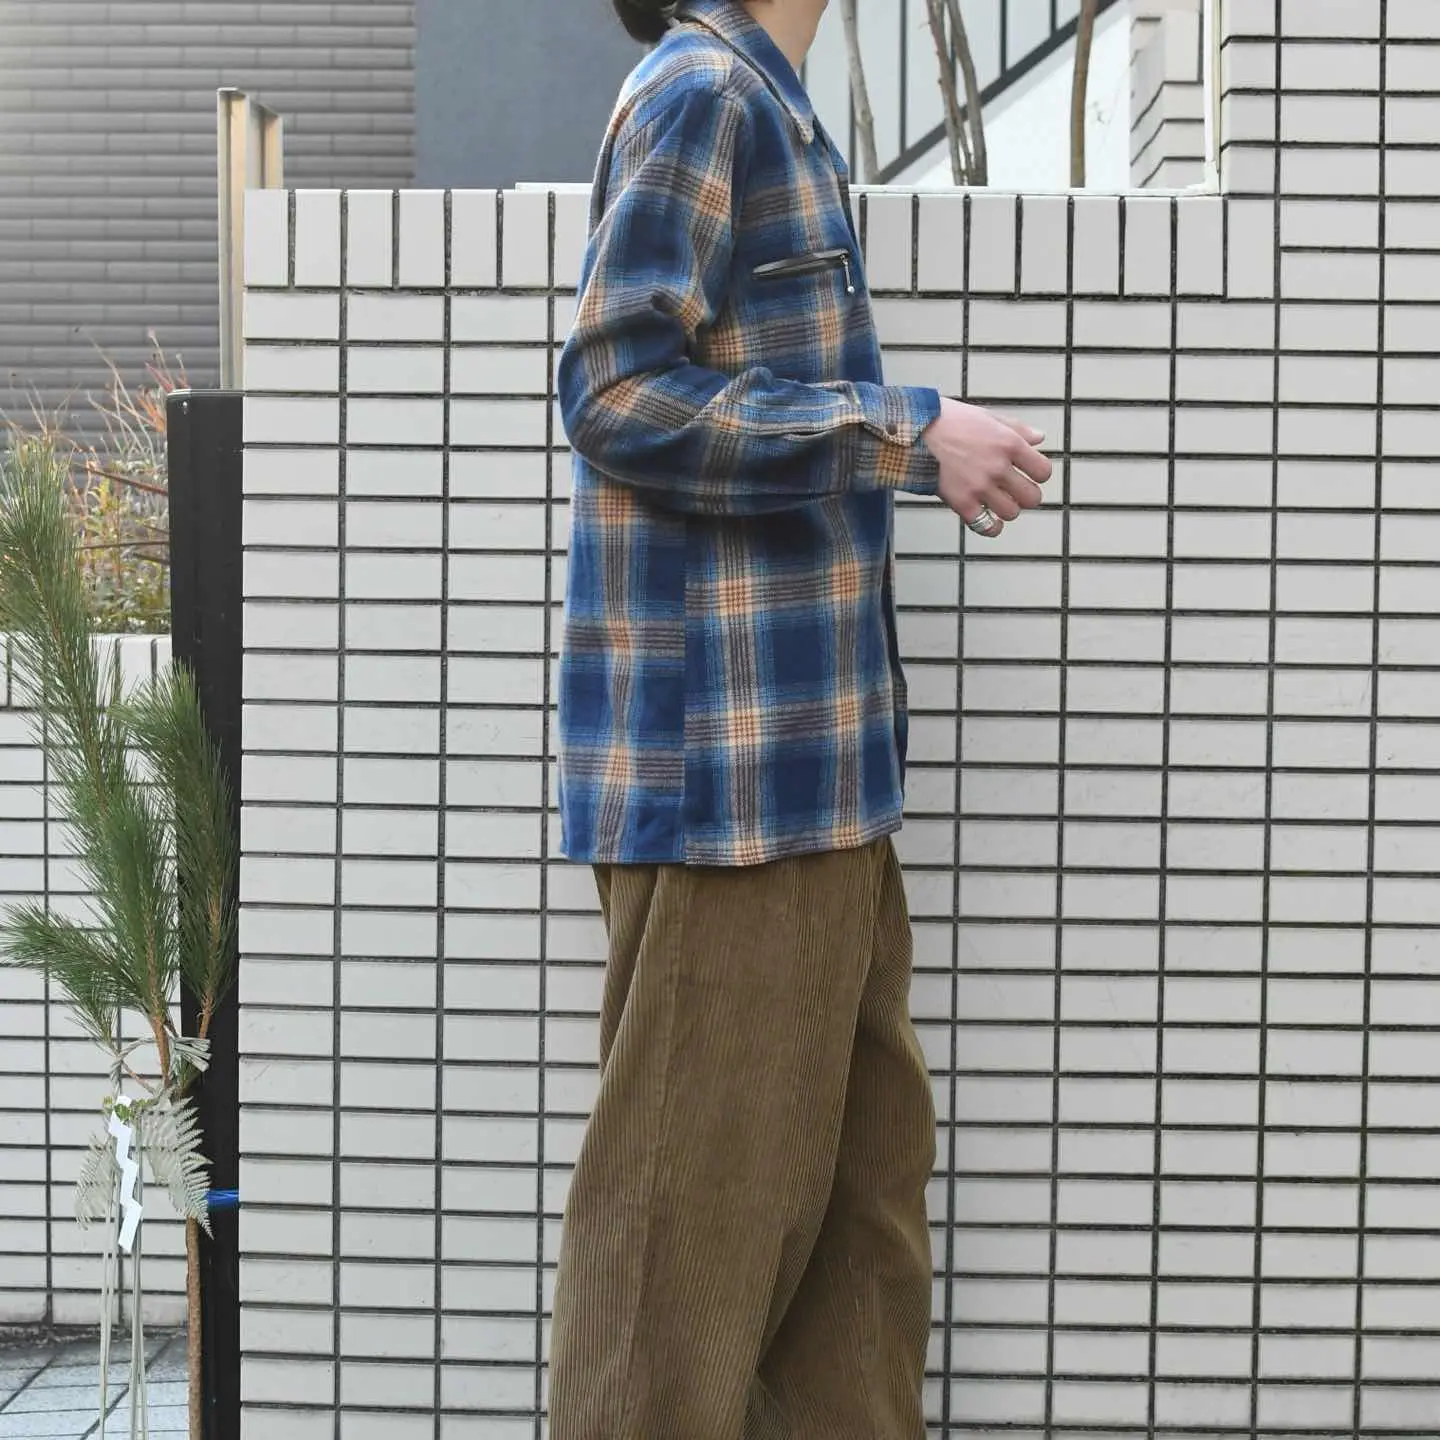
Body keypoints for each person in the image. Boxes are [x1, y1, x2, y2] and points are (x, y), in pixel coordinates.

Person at [549, 0, 1051, 1434]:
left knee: (856, 1238)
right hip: (735, 802)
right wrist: (903, 429)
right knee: (676, 1272)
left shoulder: (772, 106)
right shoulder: (704, 92)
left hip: (820, 786)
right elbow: (614, 385)